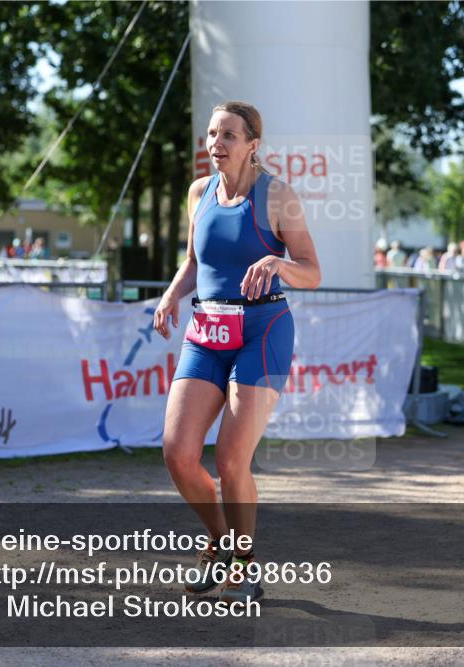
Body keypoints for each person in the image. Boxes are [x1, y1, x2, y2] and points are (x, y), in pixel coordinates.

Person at [153, 101, 320, 604]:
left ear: (252, 145)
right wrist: (170, 295)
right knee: (178, 454)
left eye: (228, 135)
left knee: (230, 459)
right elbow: (193, 262)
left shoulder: (277, 197)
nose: (216, 144)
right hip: (206, 331)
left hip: (262, 331)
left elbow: (311, 271)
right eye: (211, 134)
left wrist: (277, 261)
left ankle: (243, 568)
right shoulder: (198, 193)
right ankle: (220, 542)